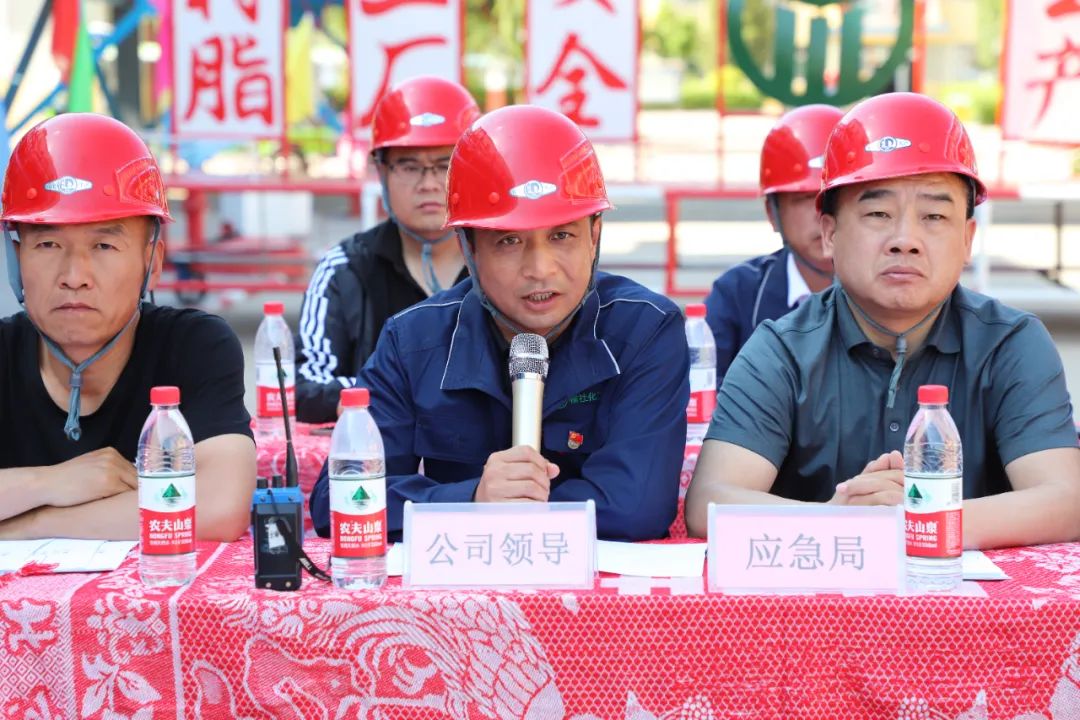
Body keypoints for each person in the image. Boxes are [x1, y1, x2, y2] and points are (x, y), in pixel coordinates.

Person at [686, 92, 1080, 549]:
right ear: (830, 233)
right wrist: (839, 520)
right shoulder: (781, 350)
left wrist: (916, 520)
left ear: (967, 239)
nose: (905, 239)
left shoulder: (1010, 343)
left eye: (934, 215)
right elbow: (709, 502)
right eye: (878, 213)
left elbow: (1067, 500)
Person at [310, 105, 689, 541]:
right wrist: (472, 499)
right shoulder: (412, 341)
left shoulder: (645, 331)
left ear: (595, 235)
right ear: (468, 248)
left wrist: (510, 505)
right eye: (508, 241)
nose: (540, 269)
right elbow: (338, 502)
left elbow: (638, 507)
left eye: (562, 235)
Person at [0, 113, 255, 541]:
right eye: (47, 243)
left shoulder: (193, 347)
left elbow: (220, 506)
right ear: (16, 259)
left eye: (104, 245)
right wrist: (49, 483)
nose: (74, 276)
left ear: (151, 263)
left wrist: (30, 525)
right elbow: (187, 508)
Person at [295, 76, 480, 422]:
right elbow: (303, 386)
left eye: (445, 166)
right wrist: (407, 388)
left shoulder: (500, 264)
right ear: (381, 171)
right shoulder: (344, 269)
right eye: (409, 166)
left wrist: (378, 389)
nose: (428, 183)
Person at [704, 104, 843, 386]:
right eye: (805, 200)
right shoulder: (737, 294)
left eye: (834, 197)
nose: (823, 216)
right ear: (772, 213)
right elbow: (704, 390)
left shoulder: (893, 289)